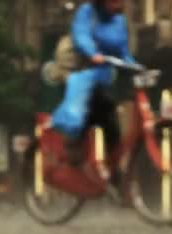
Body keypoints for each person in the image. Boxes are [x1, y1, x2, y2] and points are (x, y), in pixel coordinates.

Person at [51, 0, 136, 174]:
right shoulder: (86, 12)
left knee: (109, 118)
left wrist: (135, 66)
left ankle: (113, 169)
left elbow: (122, 50)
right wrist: (92, 53)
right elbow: (81, 35)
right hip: (75, 66)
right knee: (89, 106)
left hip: (98, 74)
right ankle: (73, 142)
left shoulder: (119, 20)